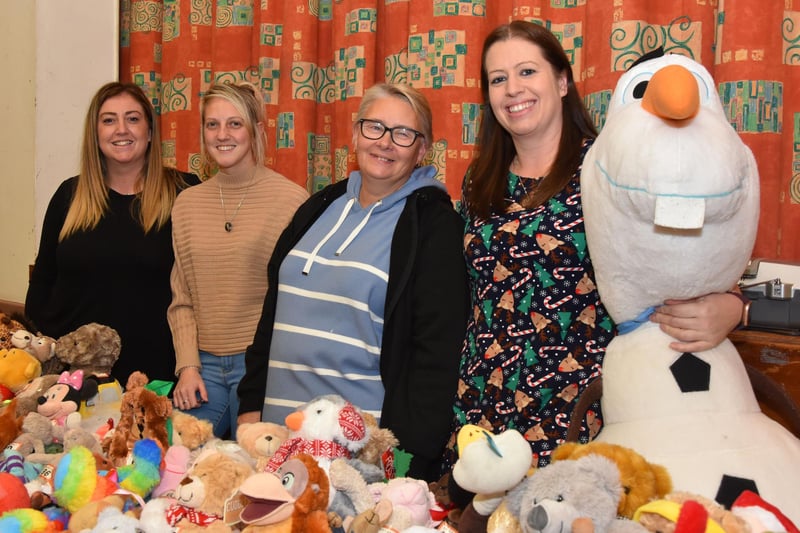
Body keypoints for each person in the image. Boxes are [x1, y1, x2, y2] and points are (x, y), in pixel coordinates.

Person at [443, 21, 745, 473]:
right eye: (498, 79)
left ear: (562, 81)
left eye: (527, 72)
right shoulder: (478, 179)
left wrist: (735, 306)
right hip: (483, 400)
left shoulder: (610, 167)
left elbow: (689, 253)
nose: (512, 90)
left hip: (580, 404)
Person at [237, 82, 469, 481]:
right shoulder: (319, 206)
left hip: (357, 456)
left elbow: (437, 353)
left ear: (422, 148)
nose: (385, 143)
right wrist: (250, 404)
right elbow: (272, 313)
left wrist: (407, 457)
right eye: (374, 127)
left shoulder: (433, 226)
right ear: (356, 133)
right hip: (277, 437)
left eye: (403, 134)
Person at [25, 82, 198, 387]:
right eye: (108, 120)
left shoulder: (184, 193)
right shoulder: (69, 195)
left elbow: (204, 289)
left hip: (157, 379)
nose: (121, 129)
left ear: (150, 130)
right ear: (95, 133)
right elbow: (42, 284)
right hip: (76, 381)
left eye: (132, 119)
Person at [168, 82, 309, 438]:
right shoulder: (187, 204)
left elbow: (297, 301)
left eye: (235, 123)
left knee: (258, 474)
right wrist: (187, 365)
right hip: (203, 369)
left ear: (256, 130)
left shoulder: (292, 201)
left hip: (264, 368)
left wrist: (266, 374)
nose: (222, 134)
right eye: (212, 124)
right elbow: (181, 298)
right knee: (175, 463)